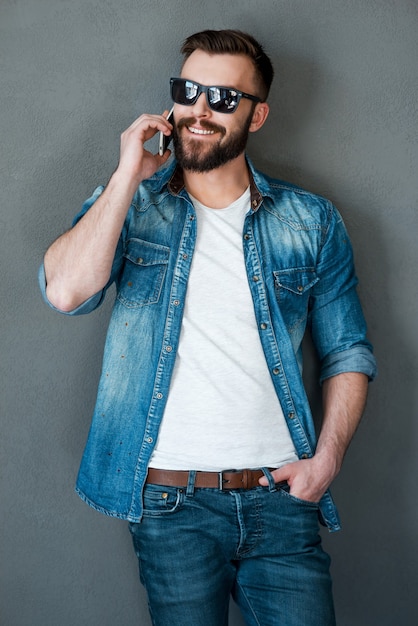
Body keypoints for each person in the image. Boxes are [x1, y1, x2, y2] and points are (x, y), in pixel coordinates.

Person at [40, 29, 376, 626]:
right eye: (188, 91)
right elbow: (66, 291)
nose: (200, 110)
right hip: (171, 507)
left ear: (258, 113)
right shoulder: (135, 205)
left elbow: (347, 351)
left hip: (282, 503)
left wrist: (326, 462)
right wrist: (126, 175)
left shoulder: (310, 220)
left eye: (223, 98)